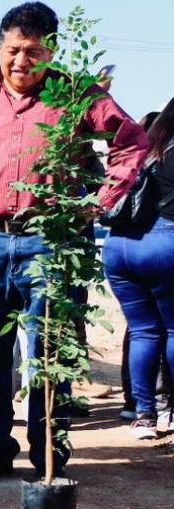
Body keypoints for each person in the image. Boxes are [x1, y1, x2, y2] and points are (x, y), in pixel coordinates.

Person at [0, 2, 147, 481]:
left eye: (33, 51)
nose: (21, 62)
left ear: (52, 49)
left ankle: (48, 455)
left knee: (50, 354)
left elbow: (132, 140)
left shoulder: (75, 95)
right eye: (12, 50)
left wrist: (99, 201)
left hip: (50, 241)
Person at [103, 97, 174, 440]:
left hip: (119, 247)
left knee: (144, 331)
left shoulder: (140, 150)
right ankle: (171, 411)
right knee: (173, 331)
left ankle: (143, 415)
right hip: (163, 242)